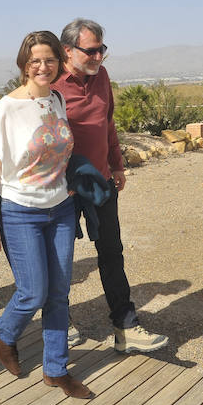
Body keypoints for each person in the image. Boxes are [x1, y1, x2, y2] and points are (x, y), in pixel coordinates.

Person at [0, 31, 92, 398]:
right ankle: (5, 332)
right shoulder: (7, 108)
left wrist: (69, 180)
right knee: (33, 292)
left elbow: (57, 148)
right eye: (35, 61)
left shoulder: (57, 99)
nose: (43, 67)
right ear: (24, 65)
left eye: (49, 60)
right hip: (20, 211)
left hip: (61, 208)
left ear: (59, 62)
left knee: (59, 293)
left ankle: (56, 369)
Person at [51, 19, 169, 354]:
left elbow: (108, 124)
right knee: (60, 258)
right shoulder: (52, 84)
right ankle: (59, 323)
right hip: (63, 189)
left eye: (102, 49)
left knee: (112, 254)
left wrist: (116, 164)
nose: (99, 57)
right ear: (68, 50)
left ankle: (126, 327)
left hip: (101, 182)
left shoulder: (100, 77)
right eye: (91, 51)